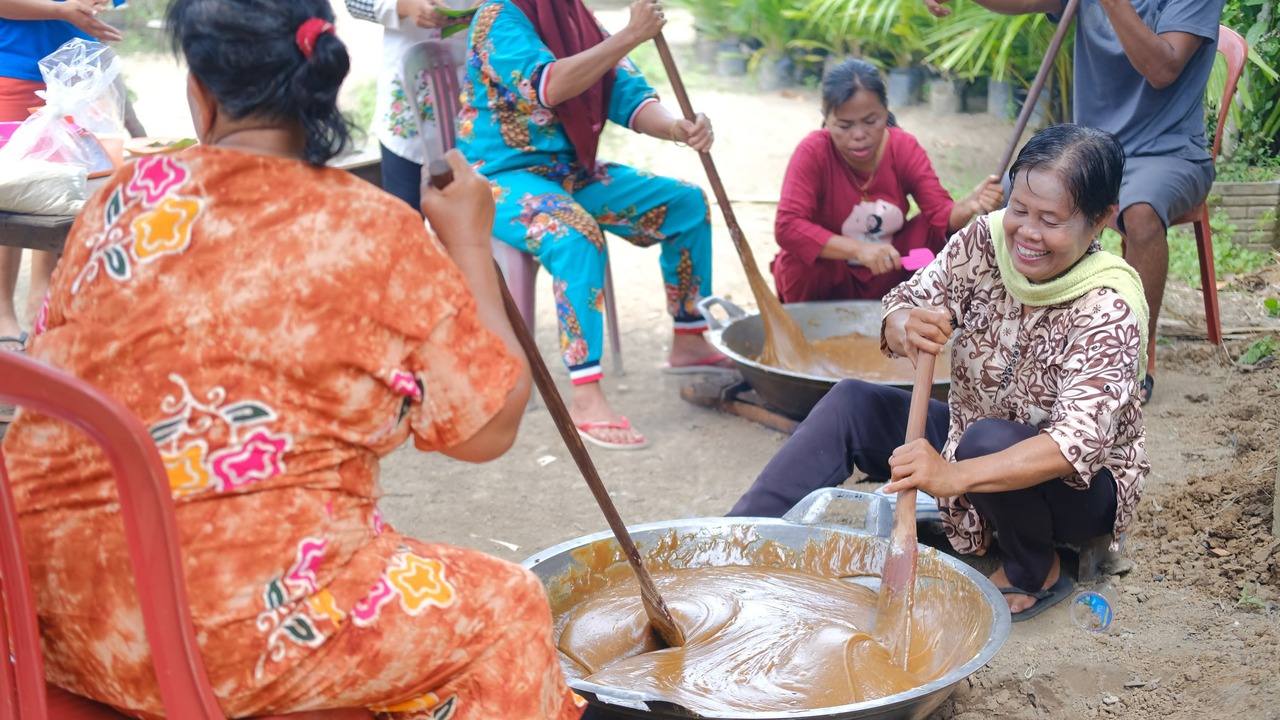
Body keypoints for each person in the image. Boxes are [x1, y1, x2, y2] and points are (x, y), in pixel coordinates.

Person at [0, 1, 585, 717]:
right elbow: (484, 432)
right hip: (234, 637)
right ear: (321, 83)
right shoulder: (372, 228)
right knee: (509, 609)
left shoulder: (119, 203)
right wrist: (467, 241)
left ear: (201, 94)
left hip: (46, 608)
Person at [731, 124, 1150, 621]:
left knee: (986, 439)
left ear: (1101, 219)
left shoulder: (1110, 305)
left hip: (1072, 495)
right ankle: (735, 539)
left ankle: (1034, 567)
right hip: (966, 443)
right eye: (1019, 209)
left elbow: (1070, 446)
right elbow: (902, 305)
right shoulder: (984, 241)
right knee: (854, 403)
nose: (1027, 234)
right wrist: (905, 326)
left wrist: (951, 475)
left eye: (1050, 220)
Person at [923, 0, 1225, 403]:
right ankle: (1014, 340)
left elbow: (1162, 70)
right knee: (1018, 198)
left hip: (1168, 152)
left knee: (1141, 212)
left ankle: (1133, 361)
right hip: (1093, 152)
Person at [459, 0, 724, 451]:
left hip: (570, 172)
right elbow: (550, 85)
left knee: (685, 204)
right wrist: (627, 35)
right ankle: (585, 398)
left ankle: (689, 339)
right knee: (575, 234)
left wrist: (678, 128)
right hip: (498, 176)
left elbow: (626, 93)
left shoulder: (573, 16)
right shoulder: (497, 16)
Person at [771, 59, 1002, 303]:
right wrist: (859, 250)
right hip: (828, 276)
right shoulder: (813, 151)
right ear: (826, 120)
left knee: (930, 230)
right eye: (844, 125)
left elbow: (940, 215)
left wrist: (969, 205)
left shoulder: (903, 147)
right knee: (801, 254)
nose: (859, 135)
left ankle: (911, 308)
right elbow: (787, 226)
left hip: (888, 271)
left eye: (871, 121)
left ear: (885, 111)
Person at [0, 0, 123, 423]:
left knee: (62, 192)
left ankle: (40, 307)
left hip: (77, 76)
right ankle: (3, 313)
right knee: (15, 193)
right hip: (14, 68)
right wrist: (61, 8)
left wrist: (83, 8)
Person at [344, 0, 478, 211]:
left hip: (480, 97)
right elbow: (354, 3)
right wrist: (403, 6)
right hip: (409, 109)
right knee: (407, 214)